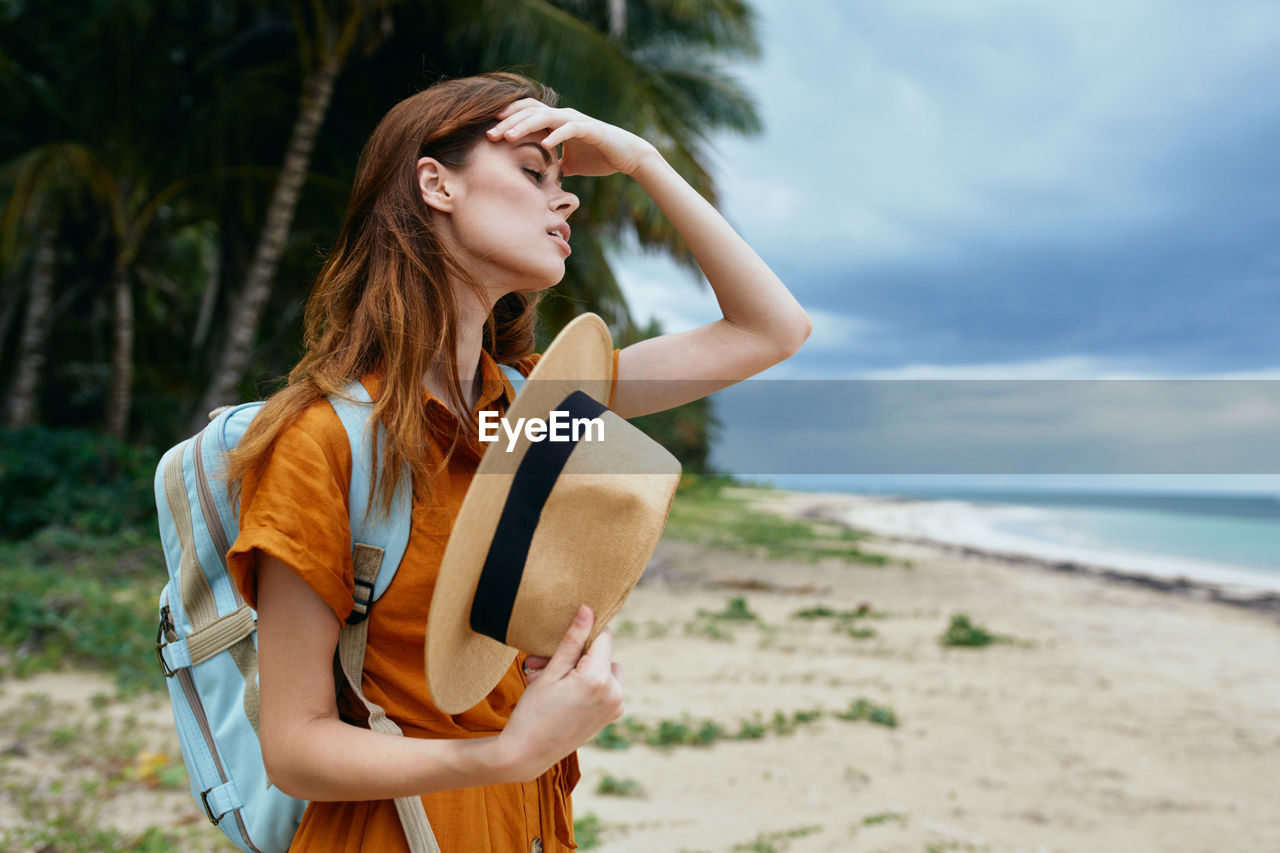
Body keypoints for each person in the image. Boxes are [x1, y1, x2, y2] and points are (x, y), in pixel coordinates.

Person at [223, 71, 810, 852]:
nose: (564, 200)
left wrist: (641, 160)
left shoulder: (540, 406)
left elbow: (772, 328)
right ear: (436, 184)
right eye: (535, 174)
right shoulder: (325, 440)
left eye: (564, 183)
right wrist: (505, 753)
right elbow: (293, 748)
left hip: (527, 826)